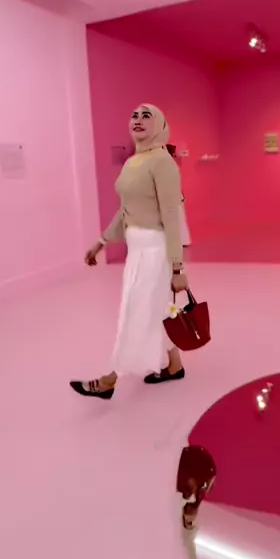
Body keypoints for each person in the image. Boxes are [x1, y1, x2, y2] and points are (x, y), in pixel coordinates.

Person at [70, 104, 188, 400]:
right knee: (156, 309)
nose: (138, 120)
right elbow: (126, 211)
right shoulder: (133, 161)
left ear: (159, 124)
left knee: (136, 312)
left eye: (147, 116)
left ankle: (110, 380)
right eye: (135, 115)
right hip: (136, 251)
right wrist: (101, 241)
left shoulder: (163, 162)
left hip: (156, 251)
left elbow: (172, 217)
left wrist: (177, 268)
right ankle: (174, 364)